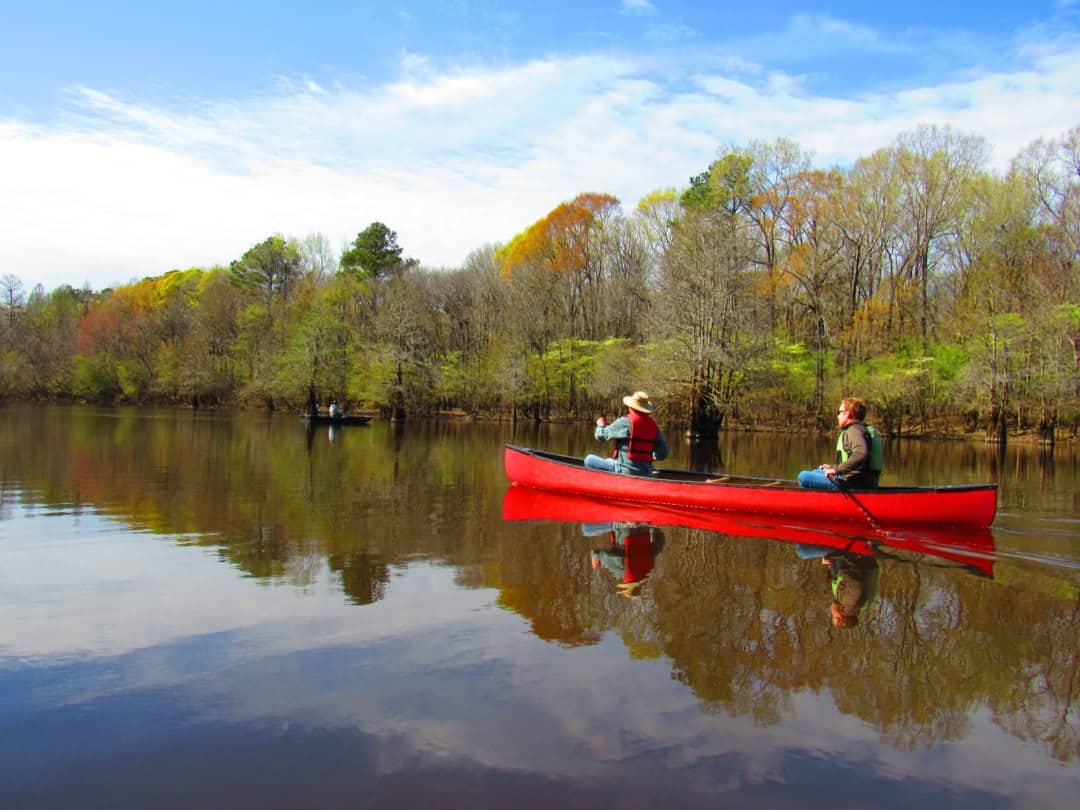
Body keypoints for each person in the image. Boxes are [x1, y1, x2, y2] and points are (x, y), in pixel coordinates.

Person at [797, 397, 883, 491]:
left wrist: (836, 470)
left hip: (854, 485)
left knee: (803, 476)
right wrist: (833, 467)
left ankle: (813, 502)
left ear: (848, 414)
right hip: (861, 482)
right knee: (817, 472)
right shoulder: (861, 429)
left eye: (840, 412)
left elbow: (861, 453)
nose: (838, 416)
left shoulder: (854, 431)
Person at [585, 391, 669, 476]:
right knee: (609, 460)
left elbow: (600, 436)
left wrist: (600, 425)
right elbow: (663, 453)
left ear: (631, 407)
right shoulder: (653, 427)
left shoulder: (625, 422)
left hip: (624, 471)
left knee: (589, 460)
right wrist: (650, 456)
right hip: (646, 473)